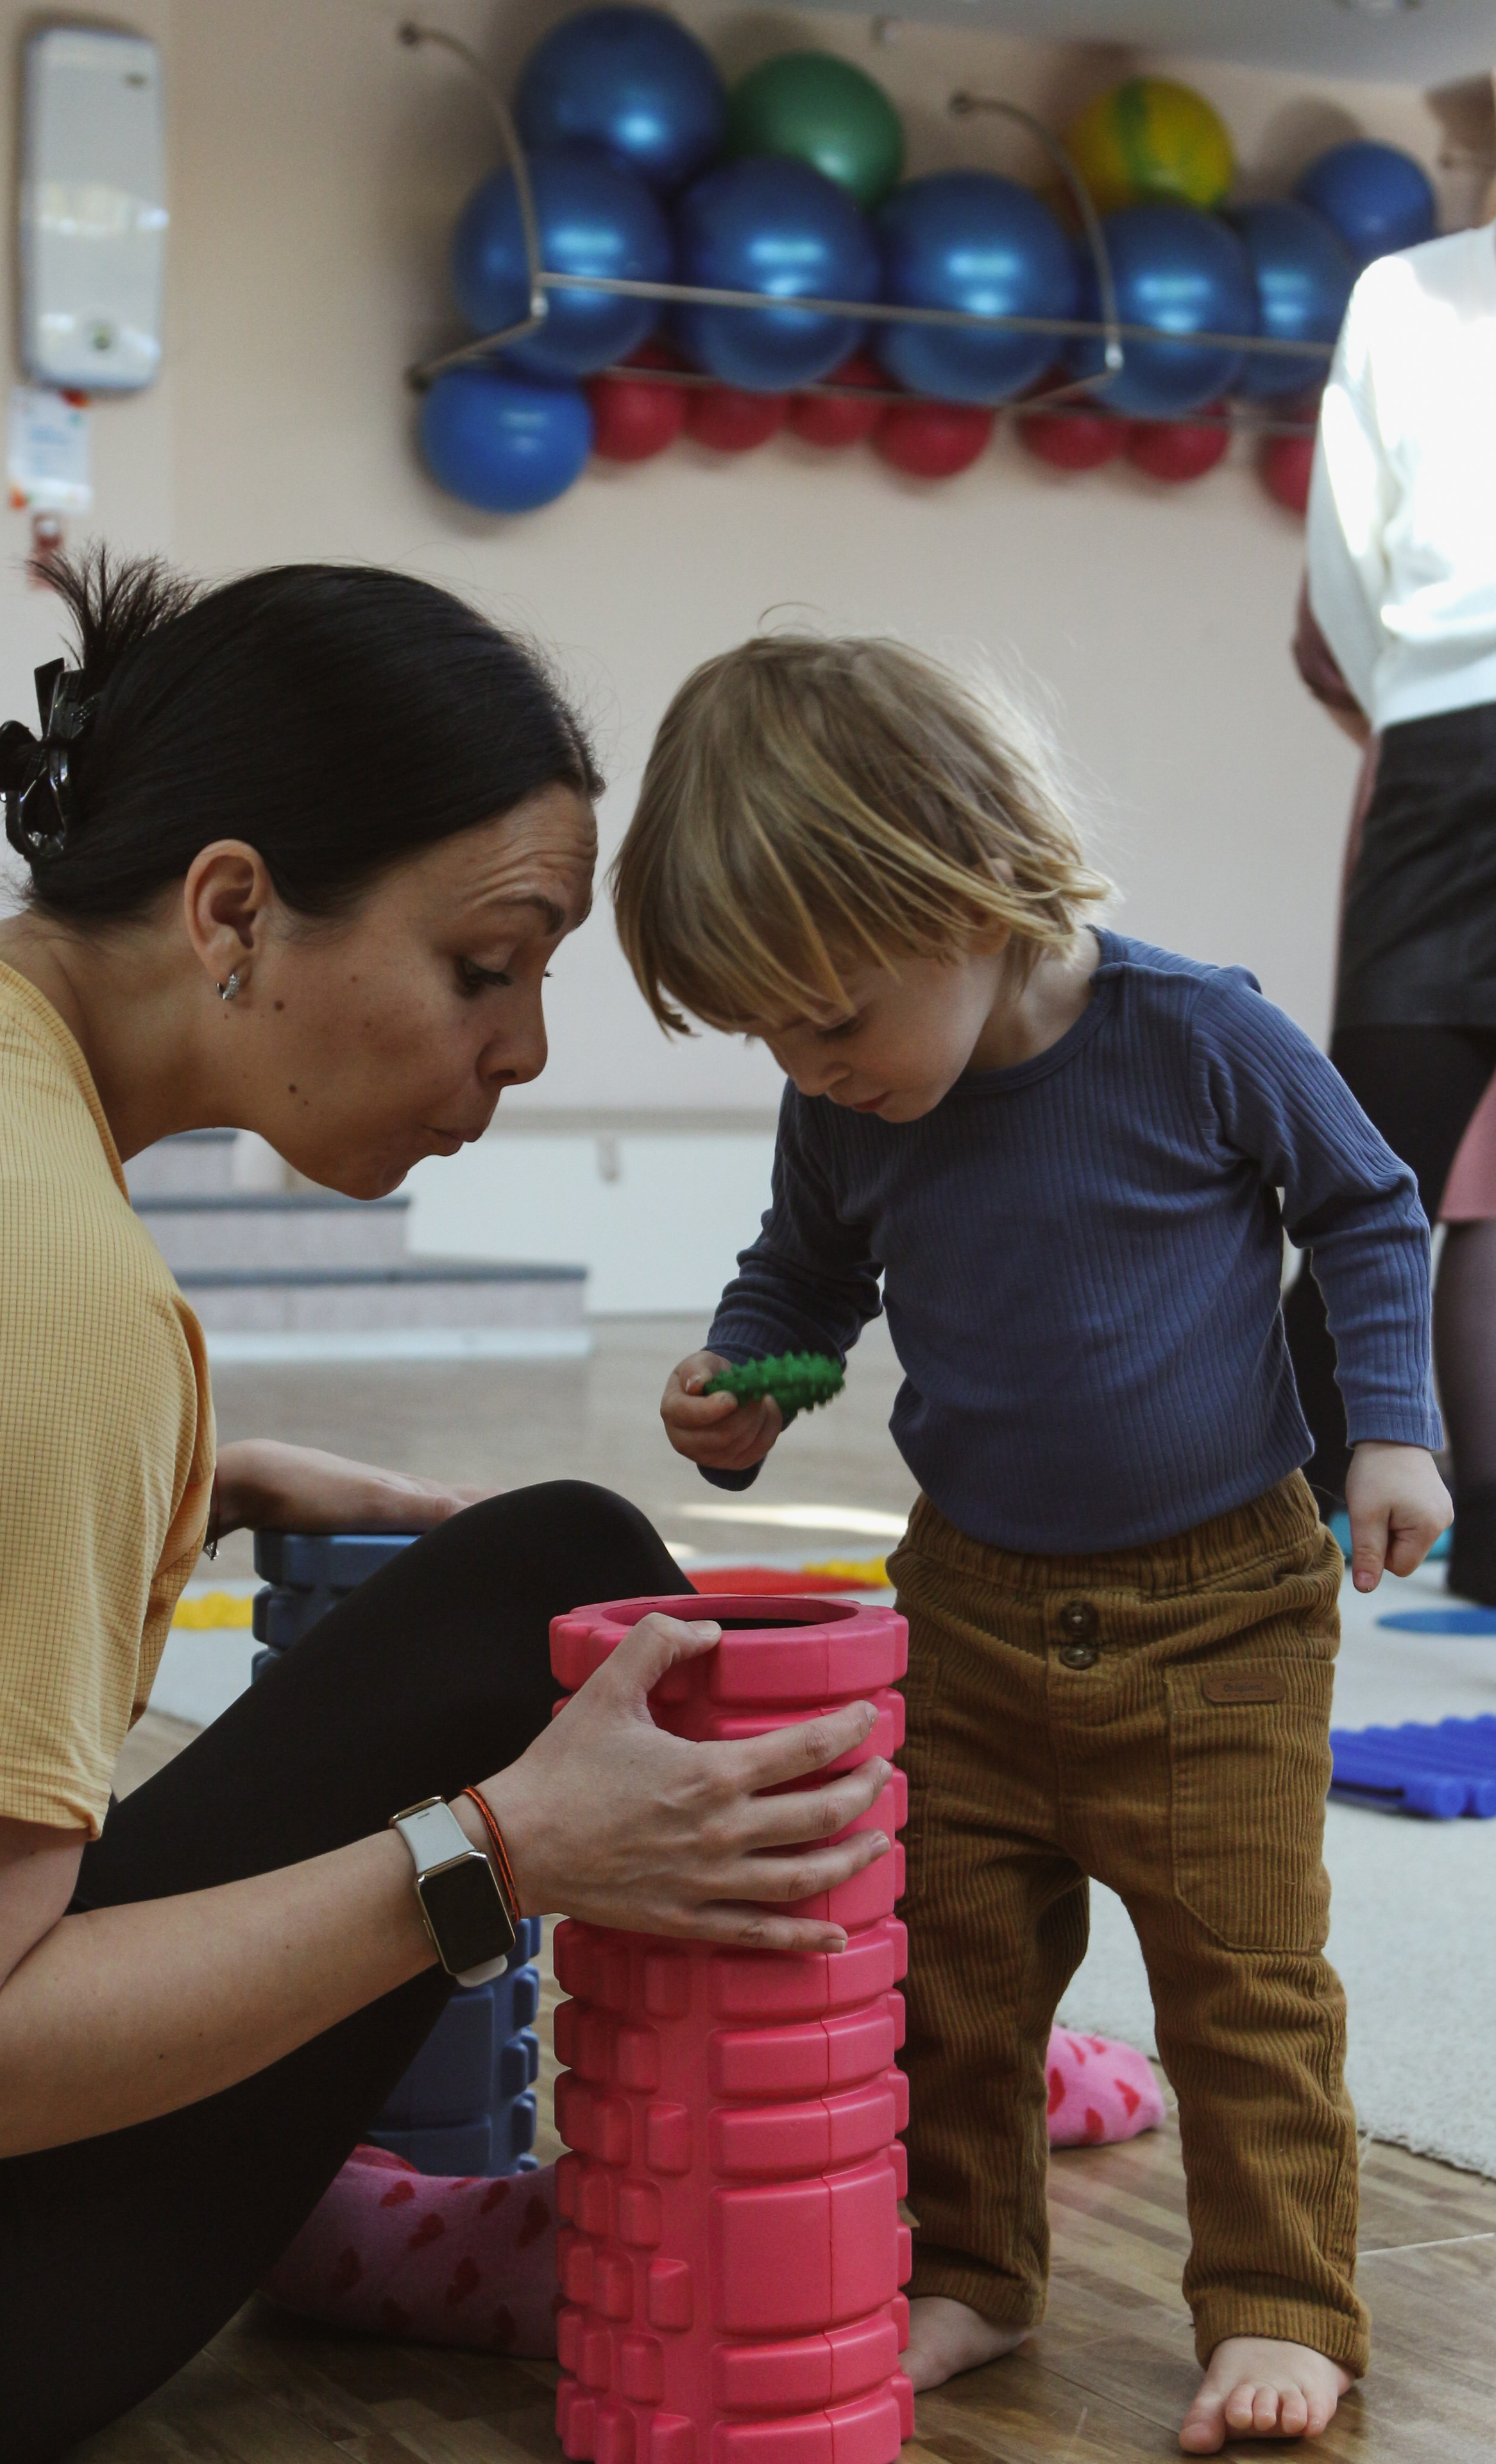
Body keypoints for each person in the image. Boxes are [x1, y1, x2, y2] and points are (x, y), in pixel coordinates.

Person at [0, 554, 897, 2464]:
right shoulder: (43, 1284)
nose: (525, 1048)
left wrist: (192, 1479)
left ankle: (335, 2193)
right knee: (567, 1580)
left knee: (525, 1566)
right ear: (232, 909)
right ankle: (778, 2185)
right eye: (483, 967)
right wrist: (500, 1850)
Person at [610, 635, 1451, 2454]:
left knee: (1243, 1980)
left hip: (1221, 1608)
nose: (809, 1068)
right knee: (946, 1969)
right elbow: (810, 1274)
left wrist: (1394, 1426)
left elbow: (1374, 1211)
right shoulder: (846, 1102)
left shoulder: (1195, 1033)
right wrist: (750, 1380)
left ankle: (1283, 2301)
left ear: (979, 887)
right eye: (768, 1035)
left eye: (830, 1019)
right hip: (969, 1603)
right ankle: (972, 2272)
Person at [1288, 216, 1496, 1598]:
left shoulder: (1407, 290)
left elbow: (1341, 584)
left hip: (1440, 731)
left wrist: (1417, 701)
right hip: (1441, 733)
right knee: (1371, 1172)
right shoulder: (1408, 291)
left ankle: (1249, 1515)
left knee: (1371, 1177)